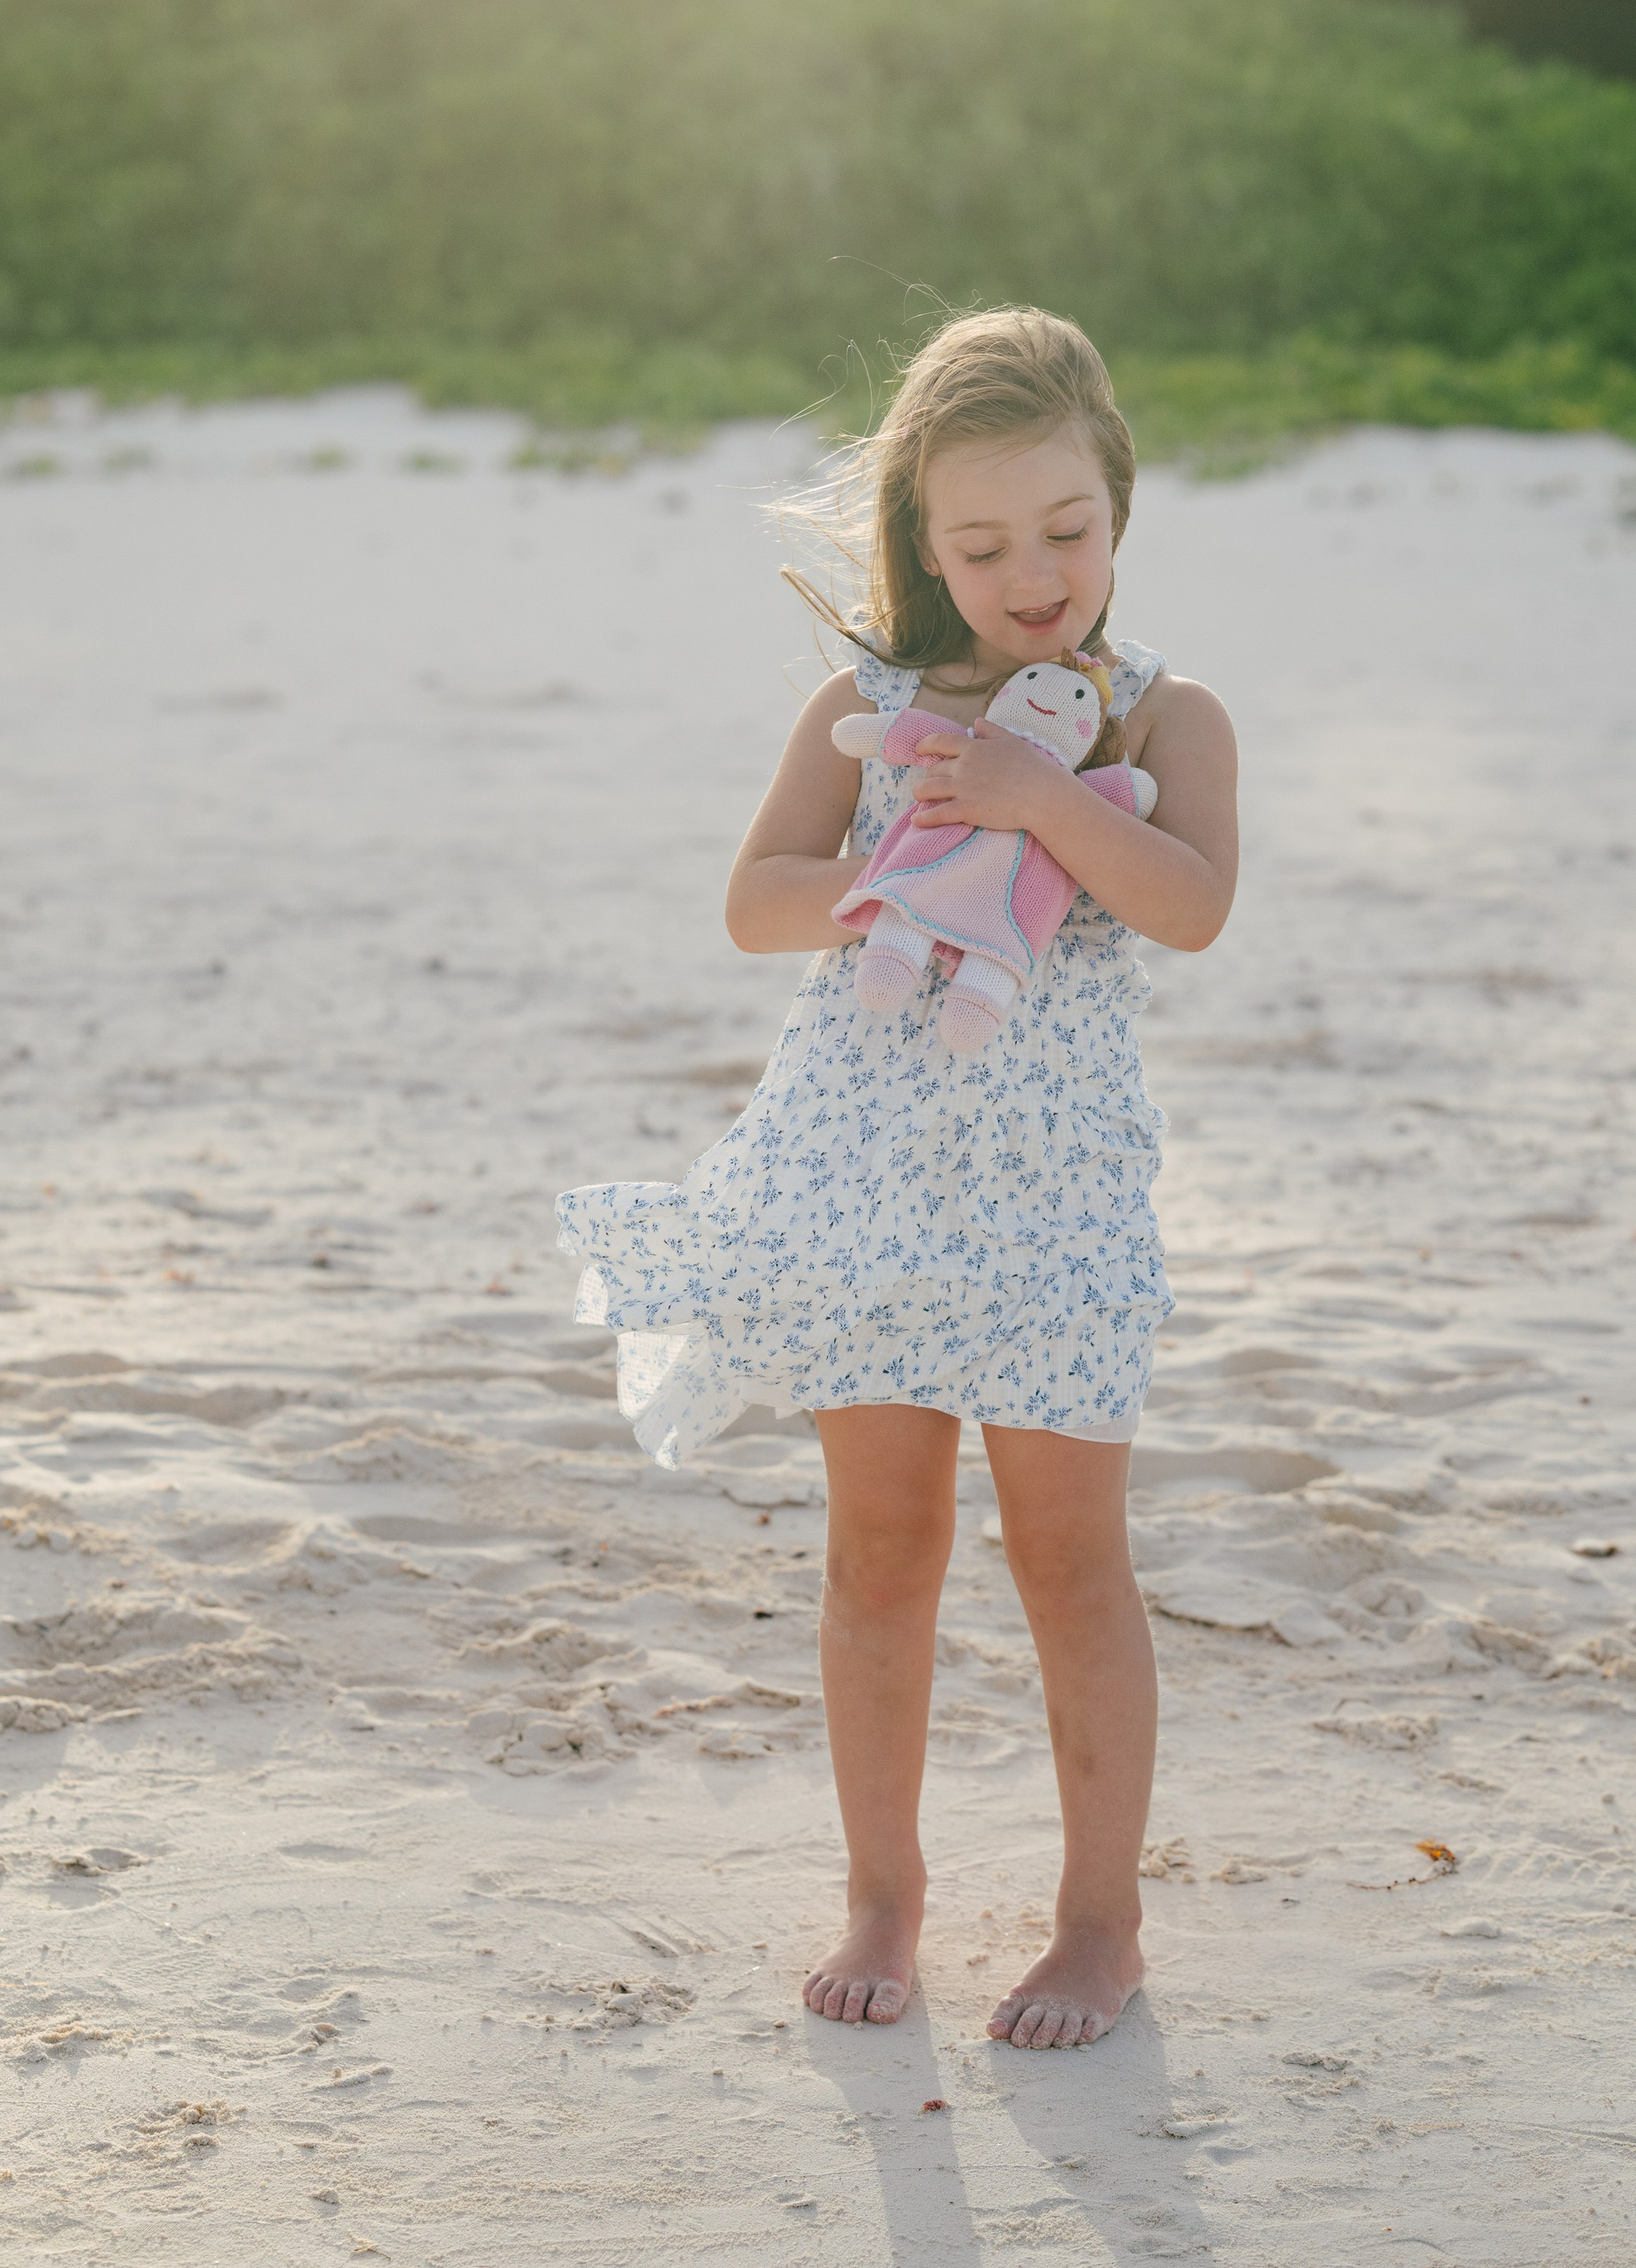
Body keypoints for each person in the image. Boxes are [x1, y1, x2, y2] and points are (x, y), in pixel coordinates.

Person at [557, 308, 1239, 2050]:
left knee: (1069, 1562)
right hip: (864, 1189)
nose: (1030, 577)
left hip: (1058, 1206)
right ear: (925, 547)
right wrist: (901, 873)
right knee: (879, 1551)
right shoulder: (862, 713)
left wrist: (1034, 797)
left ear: (1118, 504)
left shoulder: (1166, 715)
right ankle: (883, 1891)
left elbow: (1186, 902)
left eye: (1064, 532)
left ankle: (1098, 1924)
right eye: (981, 545)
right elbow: (753, 902)